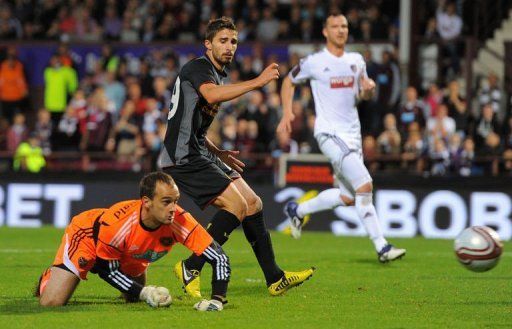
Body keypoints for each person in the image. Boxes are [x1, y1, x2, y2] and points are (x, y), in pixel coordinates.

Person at [159, 17, 314, 298]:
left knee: (253, 203)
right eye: (222, 41)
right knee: (237, 206)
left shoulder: (217, 74)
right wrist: (258, 81)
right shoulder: (198, 68)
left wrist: (216, 150)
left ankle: (275, 277)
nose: (229, 47)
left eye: (233, 41)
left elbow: (190, 120)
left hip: (199, 149)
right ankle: (191, 266)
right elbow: (211, 94)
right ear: (208, 44)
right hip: (181, 156)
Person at [277, 13, 406, 263]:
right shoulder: (314, 62)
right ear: (325, 31)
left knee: (348, 197)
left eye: (344, 26)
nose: (340, 30)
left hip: (352, 135)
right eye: (335, 26)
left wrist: (368, 90)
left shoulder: (356, 60)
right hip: (329, 133)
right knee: (364, 186)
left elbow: (362, 95)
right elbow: (288, 81)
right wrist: (287, 112)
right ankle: (382, 247)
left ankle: (297, 209)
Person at [35, 172, 230, 311]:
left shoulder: (179, 220)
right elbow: (107, 271)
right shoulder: (119, 224)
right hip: (88, 236)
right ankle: (49, 278)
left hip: (128, 251)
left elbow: (218, 257)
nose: (173, 208)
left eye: (176, 201)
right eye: (166, 201)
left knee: (132, 299)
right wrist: (145, 292)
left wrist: (217, 301)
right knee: (52, 302)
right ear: (147, 202)